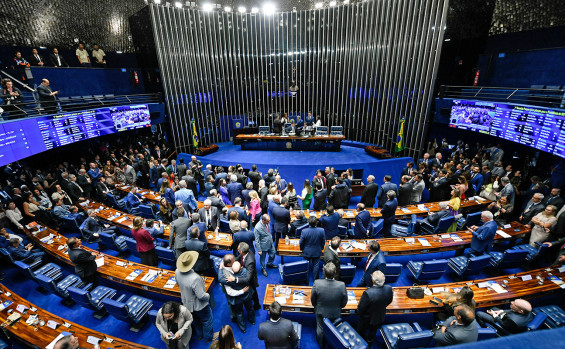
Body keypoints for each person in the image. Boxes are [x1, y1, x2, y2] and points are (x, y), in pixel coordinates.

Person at [176, 251, 214, 342]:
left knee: (195, 321)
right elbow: (201, 296)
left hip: (186, 303)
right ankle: (208, 338)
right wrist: (208, 296)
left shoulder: (177, 271)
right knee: (207, 321)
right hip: (200, 306)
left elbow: (178, 284)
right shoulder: (195, 278)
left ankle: (200, 335)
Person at [311, 262, 348, 347]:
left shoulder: (317, 283)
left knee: (320, 328)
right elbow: (344, 303)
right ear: (335, 272)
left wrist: (316, 307)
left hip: (321, 312)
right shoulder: (341, 285)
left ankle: (321, 345)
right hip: (335, 312)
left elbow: (313, 300)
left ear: (324, 272)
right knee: (333, 329)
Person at [218, 255, 255, 333]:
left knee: (239, 313)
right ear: (241, 267)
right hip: (247, 295)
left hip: (237, 299)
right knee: (250, 308)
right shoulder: (245, 272)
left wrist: (220, 268)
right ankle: (252, 320)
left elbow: (223, 282)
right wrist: (242, 291)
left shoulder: (229, 279)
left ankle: (243, 328)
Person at [357, 270, 393, 344]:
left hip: (366, 317)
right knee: (373, 330)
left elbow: (361, 308)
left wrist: (359, 312)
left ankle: (360, 341)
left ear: (373, 280)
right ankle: (370, 342)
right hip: (379, 315)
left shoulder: (368, 293)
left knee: (361, 330)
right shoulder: (389, 288)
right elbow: (389, 301)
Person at [300, 216, 326, 281]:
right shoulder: (321, 230)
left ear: (308, 222)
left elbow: (301, 242)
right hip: (317, 250)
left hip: (306, 251)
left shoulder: (304, 231)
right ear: (316, 222)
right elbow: (323, 241)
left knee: (306, 265)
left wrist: (302, 249)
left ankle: (305, 279)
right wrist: (321, 248)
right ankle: (316, 280)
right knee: (316, 266)